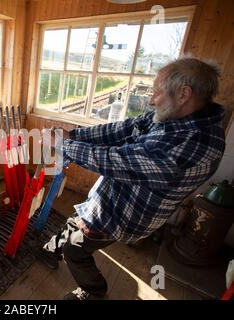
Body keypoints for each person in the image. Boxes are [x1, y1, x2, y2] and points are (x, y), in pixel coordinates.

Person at [38, 57, 226, 300]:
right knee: (76, 222)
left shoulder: (195, 143)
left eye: (157, 93)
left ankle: (92, 290)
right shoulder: (171, 115)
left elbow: (119, 162)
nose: (150, 99)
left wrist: (65, 145)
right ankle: (50, 251)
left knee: (76, 249)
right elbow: (124, 128)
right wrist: (74, 135)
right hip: (106, 199)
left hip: (123, 214)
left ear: (183, 94)